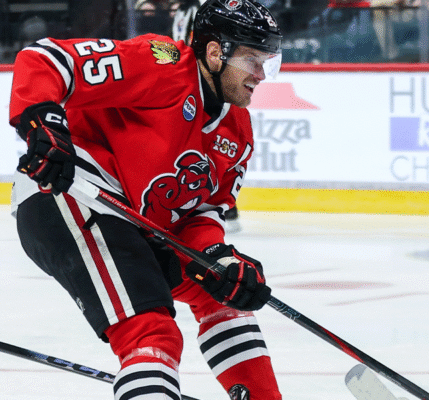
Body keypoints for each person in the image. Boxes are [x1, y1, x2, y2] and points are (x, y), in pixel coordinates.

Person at [8, 0, 283, 399]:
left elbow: (201, 214)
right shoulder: (162, 64)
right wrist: (43, 124)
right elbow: (46, 58)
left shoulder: (237, 132)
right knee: (151, 335)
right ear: (214, 52)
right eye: (251, 59)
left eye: (267, 62)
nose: (260, 74)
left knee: (222, 295)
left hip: (134, 223)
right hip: (71, 195)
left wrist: (218, 258)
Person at [172, 0, 242, 233]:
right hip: (186, 79)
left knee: (217, 140)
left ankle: (220, 203)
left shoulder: (208, 6)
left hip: (205, 81)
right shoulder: (184, 8)